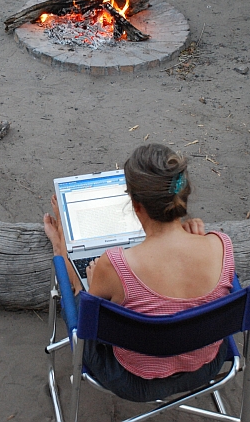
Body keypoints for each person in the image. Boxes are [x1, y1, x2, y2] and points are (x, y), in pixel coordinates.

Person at [43, 143, 234, 402]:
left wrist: (61, 246)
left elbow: (88, 323)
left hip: (130, 380)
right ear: (183, 195)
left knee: (79, 296)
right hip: (206, 366)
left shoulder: (115, 265)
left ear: (136, 205)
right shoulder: (220, 245)